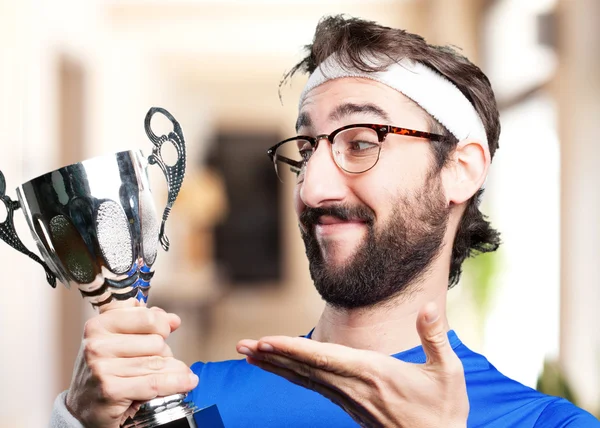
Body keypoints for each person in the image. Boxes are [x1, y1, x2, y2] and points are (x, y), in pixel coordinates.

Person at [51, 15, 599, 428]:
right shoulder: (189, 399)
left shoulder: (547, 423)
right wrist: (75, 420)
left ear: (460, 169)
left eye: (361, 142)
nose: (312, 188)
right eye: (307, 148)